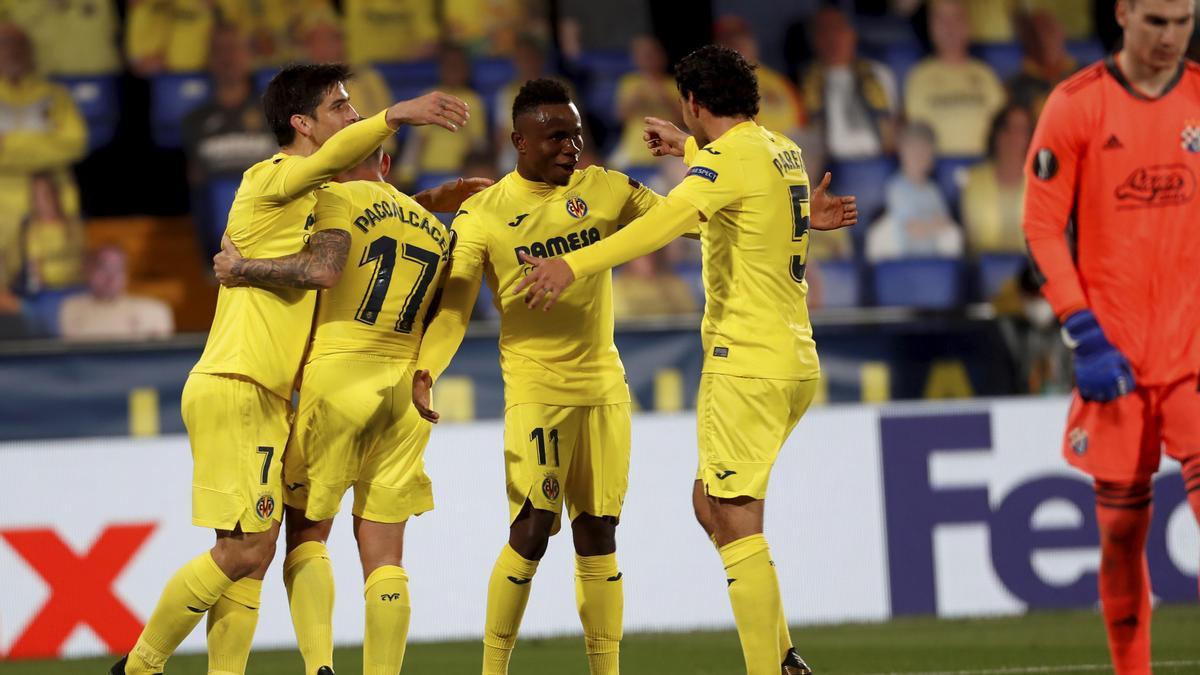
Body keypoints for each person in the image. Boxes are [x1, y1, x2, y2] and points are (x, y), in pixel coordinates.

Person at [110, 63, 472, 675]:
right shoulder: (271, 176)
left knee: (257, 547)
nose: (354, 117)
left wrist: (426, 200)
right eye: (340, 107)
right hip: (237, 378)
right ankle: (140, 667)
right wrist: (397, 114)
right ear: (302, 124)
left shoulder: (321, 200)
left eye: (356, 108)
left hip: (276, 391)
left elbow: (349, 245)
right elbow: (334, 238)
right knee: (246, 547)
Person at [513, 45, 857, 675]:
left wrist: (572, 263)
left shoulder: (727, 160)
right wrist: (691, 150)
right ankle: (783, 658)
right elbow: (748, 205)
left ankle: (773, 667)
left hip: (747, 360)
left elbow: (663, 224)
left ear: (695, 103)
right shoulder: (782, 150)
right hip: (791, 357)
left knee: (730, 511)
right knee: (711, 503)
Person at [410, 78, 665, 675]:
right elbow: (455, 304)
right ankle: (493, 668)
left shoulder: (603, 189)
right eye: (555, 137)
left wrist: (795, 214)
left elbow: (687, 217)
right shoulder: (484, 214)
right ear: (517, 141)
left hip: (603, 385)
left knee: (599, 532)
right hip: (536, 389)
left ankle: (607, 669)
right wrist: (427, 368)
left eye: (575, 135)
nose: (570, 148)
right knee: (533, 528)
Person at [210, 146, 458, 675]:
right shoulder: (437, 230)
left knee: (306, 533)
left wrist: (241, 266)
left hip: (339, 374)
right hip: (407, 387)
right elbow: (443, 311)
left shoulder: (332, 199)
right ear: (387, 164)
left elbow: (317, 268)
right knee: (386, 555)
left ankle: (320, 666)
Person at [1021, 1, 1200, 673]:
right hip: (1115, 361)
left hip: (1192, 360)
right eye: (1156, 20)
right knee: (1123, 535)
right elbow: (1041, 226)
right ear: (1123, 13)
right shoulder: (1076, 105)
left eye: (1184, 19)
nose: (1171, 36)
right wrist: (1083, 329)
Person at [0, 22, 86, 291]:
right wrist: (44, 147)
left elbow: (75, 144)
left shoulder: (55, 96)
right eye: (4, 44)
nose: (13, 52)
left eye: (19, 45)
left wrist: (8, 148)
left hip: (52, 204)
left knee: (58, 288)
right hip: (3, 211)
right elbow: (58, 147)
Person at [182, 24, 277, 254]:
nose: (228, 57)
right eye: (220, 49)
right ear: (209, 59)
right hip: (220, 243)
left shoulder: (275, 114)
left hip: (273, 233)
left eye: (234, 48)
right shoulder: (194, 121)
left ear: (250, 55)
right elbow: (196, 184)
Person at [905, 0, 1006, 157]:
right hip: (935, 171)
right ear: (931, 27)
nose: (949, 27)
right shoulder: (919, 76)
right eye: (941, 19)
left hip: (982, 168)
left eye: (956, 18)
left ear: (968, 25)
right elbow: (916, 134)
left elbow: (1002, 129)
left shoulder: (985, 75)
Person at [800, 6, 898, 161]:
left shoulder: (878, 73)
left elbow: (895, 126)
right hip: (830, 169)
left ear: (852, 34)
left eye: (837, 28)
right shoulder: (806, 81)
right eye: (823, 31)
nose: (831, 38)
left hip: (879, 163)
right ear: (813, 40)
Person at [867, 122, 962, 261]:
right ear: (902, 152)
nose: (919, 157)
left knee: (953, 235)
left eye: (925, 151)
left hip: (933, 258)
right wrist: (932, 226)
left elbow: (945, 223)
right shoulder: (896, 187)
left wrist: (928, 226)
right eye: (913, 150)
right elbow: (912, 228)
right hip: (903, 257)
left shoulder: (933, 190)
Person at [59, 245, 173, 342]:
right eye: (104, 268)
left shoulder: (154, 311)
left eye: (118, 269)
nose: (111, 277)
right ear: (87, 270)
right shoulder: (71, 308)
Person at [962, 105, 1032, 255]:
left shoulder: (1043, 182)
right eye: (1008, 129)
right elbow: (973, 235)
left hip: (1031, 271)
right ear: (997, 135)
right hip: (984, 268)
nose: (1014, 137)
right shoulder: (974, 180)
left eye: (1022, 130)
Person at [611, 35, 682, 170]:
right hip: (633, 147)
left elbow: (682, 120)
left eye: (653, 54)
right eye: (644, 55)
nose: (649, 59)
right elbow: (620, 116)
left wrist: (664, 97)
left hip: (667, 147)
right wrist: (637, 97)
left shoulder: (673, 85)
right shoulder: (629, 82)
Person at [1008, 10, 1080, 117]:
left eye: (1049, 31)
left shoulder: (1085, 75)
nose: (1044, 40)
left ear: (1062, 33)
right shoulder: (1016, 87)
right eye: (1035, 35)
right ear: (1026, 42)